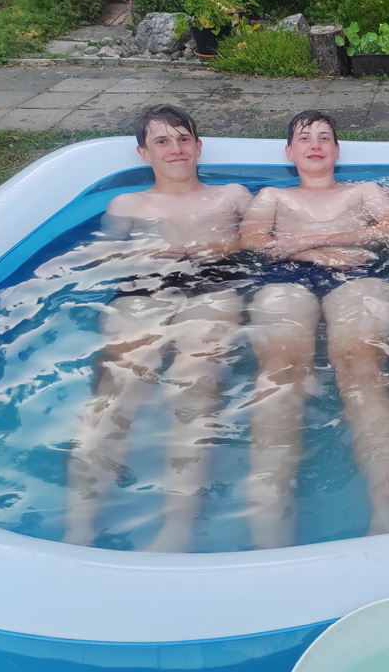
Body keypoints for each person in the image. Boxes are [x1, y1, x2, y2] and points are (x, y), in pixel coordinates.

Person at [64, 104, 253, 552]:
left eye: (183, 139)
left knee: (195, 381)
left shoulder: (232, 196)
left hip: (214, 284)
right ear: (144, 153)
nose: (176, 149)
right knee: (120, 386)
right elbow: (101, 257)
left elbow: (260, 242)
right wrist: (144, 254)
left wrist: (221, 247)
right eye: (162, 141)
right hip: (144, 287)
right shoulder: (127, 204)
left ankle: (177, 525)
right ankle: (79, 525)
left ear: (199, 146)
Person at [239, 110, 389, 547]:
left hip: (355, 273)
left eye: (324, 137)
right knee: (280, 370)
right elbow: (252, 241)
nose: (315, 145)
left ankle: (388, 510)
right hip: (288, 275)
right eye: (304, 138)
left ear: (337, 150)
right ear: (289, 151)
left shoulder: (363, 191)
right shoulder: (274, 195)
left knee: (362, 366)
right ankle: (269, 519)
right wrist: (313, 252)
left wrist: (312, 242)